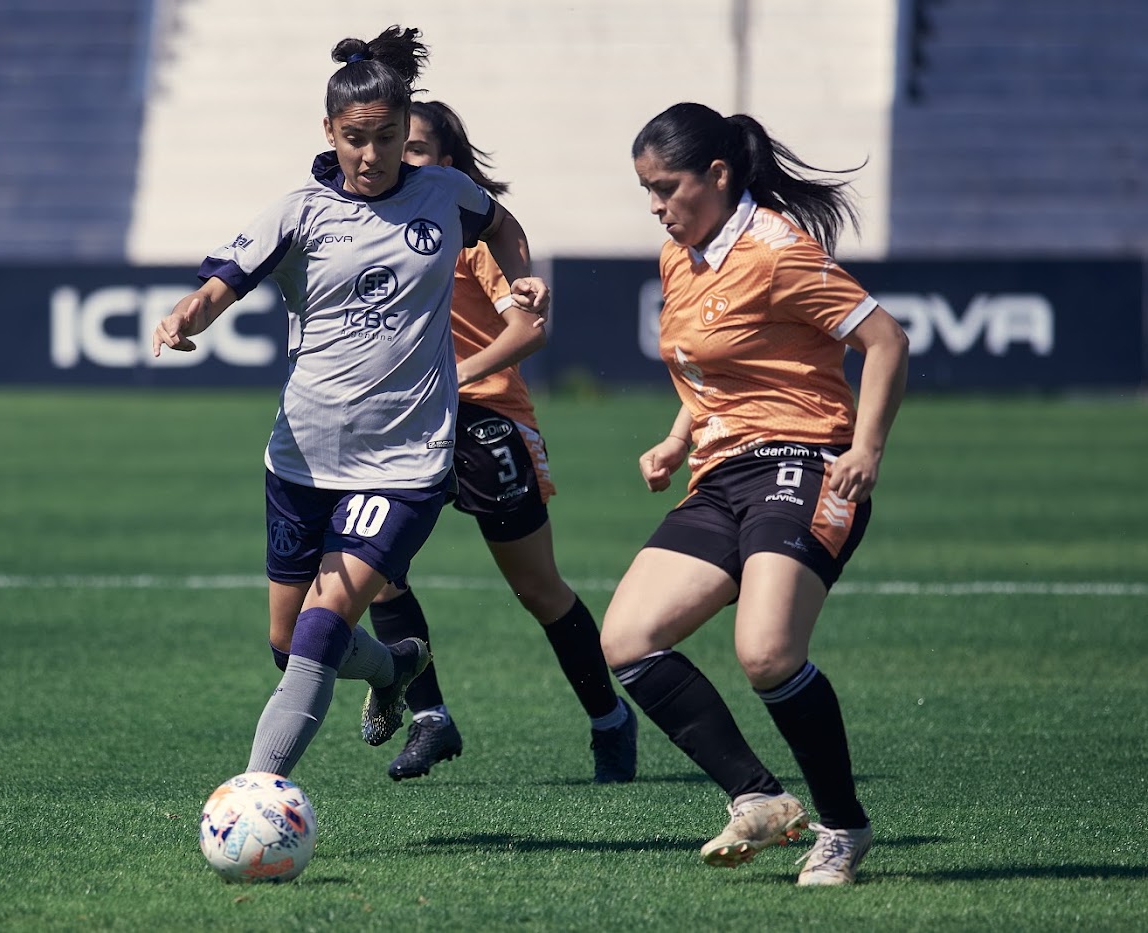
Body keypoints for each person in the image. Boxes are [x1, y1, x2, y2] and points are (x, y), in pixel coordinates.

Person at [151, 26, 549, 779]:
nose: (372, 155)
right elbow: (218, 287)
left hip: (403, 461)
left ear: (407, 131)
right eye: (355, 139)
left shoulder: (445, 194)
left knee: (318, 630)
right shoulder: (297, 212)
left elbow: (502, 225)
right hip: (301, 456)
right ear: (328, 131)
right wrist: (182, 317)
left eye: (389, 138)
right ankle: (393, 666)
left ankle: (257, 795)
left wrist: (520, 276)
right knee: (288, 641)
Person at [599, 102, 909, 886]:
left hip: (806, 462)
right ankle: (759, 799)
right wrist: (679, 434)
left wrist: (865, 448)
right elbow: (715, 366)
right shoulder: (682, 254)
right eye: (646, 190)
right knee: (628, 639)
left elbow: (885, 339)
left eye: (666, 188)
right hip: (722, 472)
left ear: (719, 175)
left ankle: (842, 828)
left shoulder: (776, 251)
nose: (656, 206)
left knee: (767, 653)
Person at [367, 101, 637, 784]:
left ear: (450, 165)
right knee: (374, 570)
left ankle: (611, 717)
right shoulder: (365, 226)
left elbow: (530, 331)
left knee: (538, 588)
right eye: (401, 147)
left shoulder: (469, 234)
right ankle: (431, 717)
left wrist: (452, 379)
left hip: (487, 418)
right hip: (406, 424)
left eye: (419, 149)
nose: (404, 160)